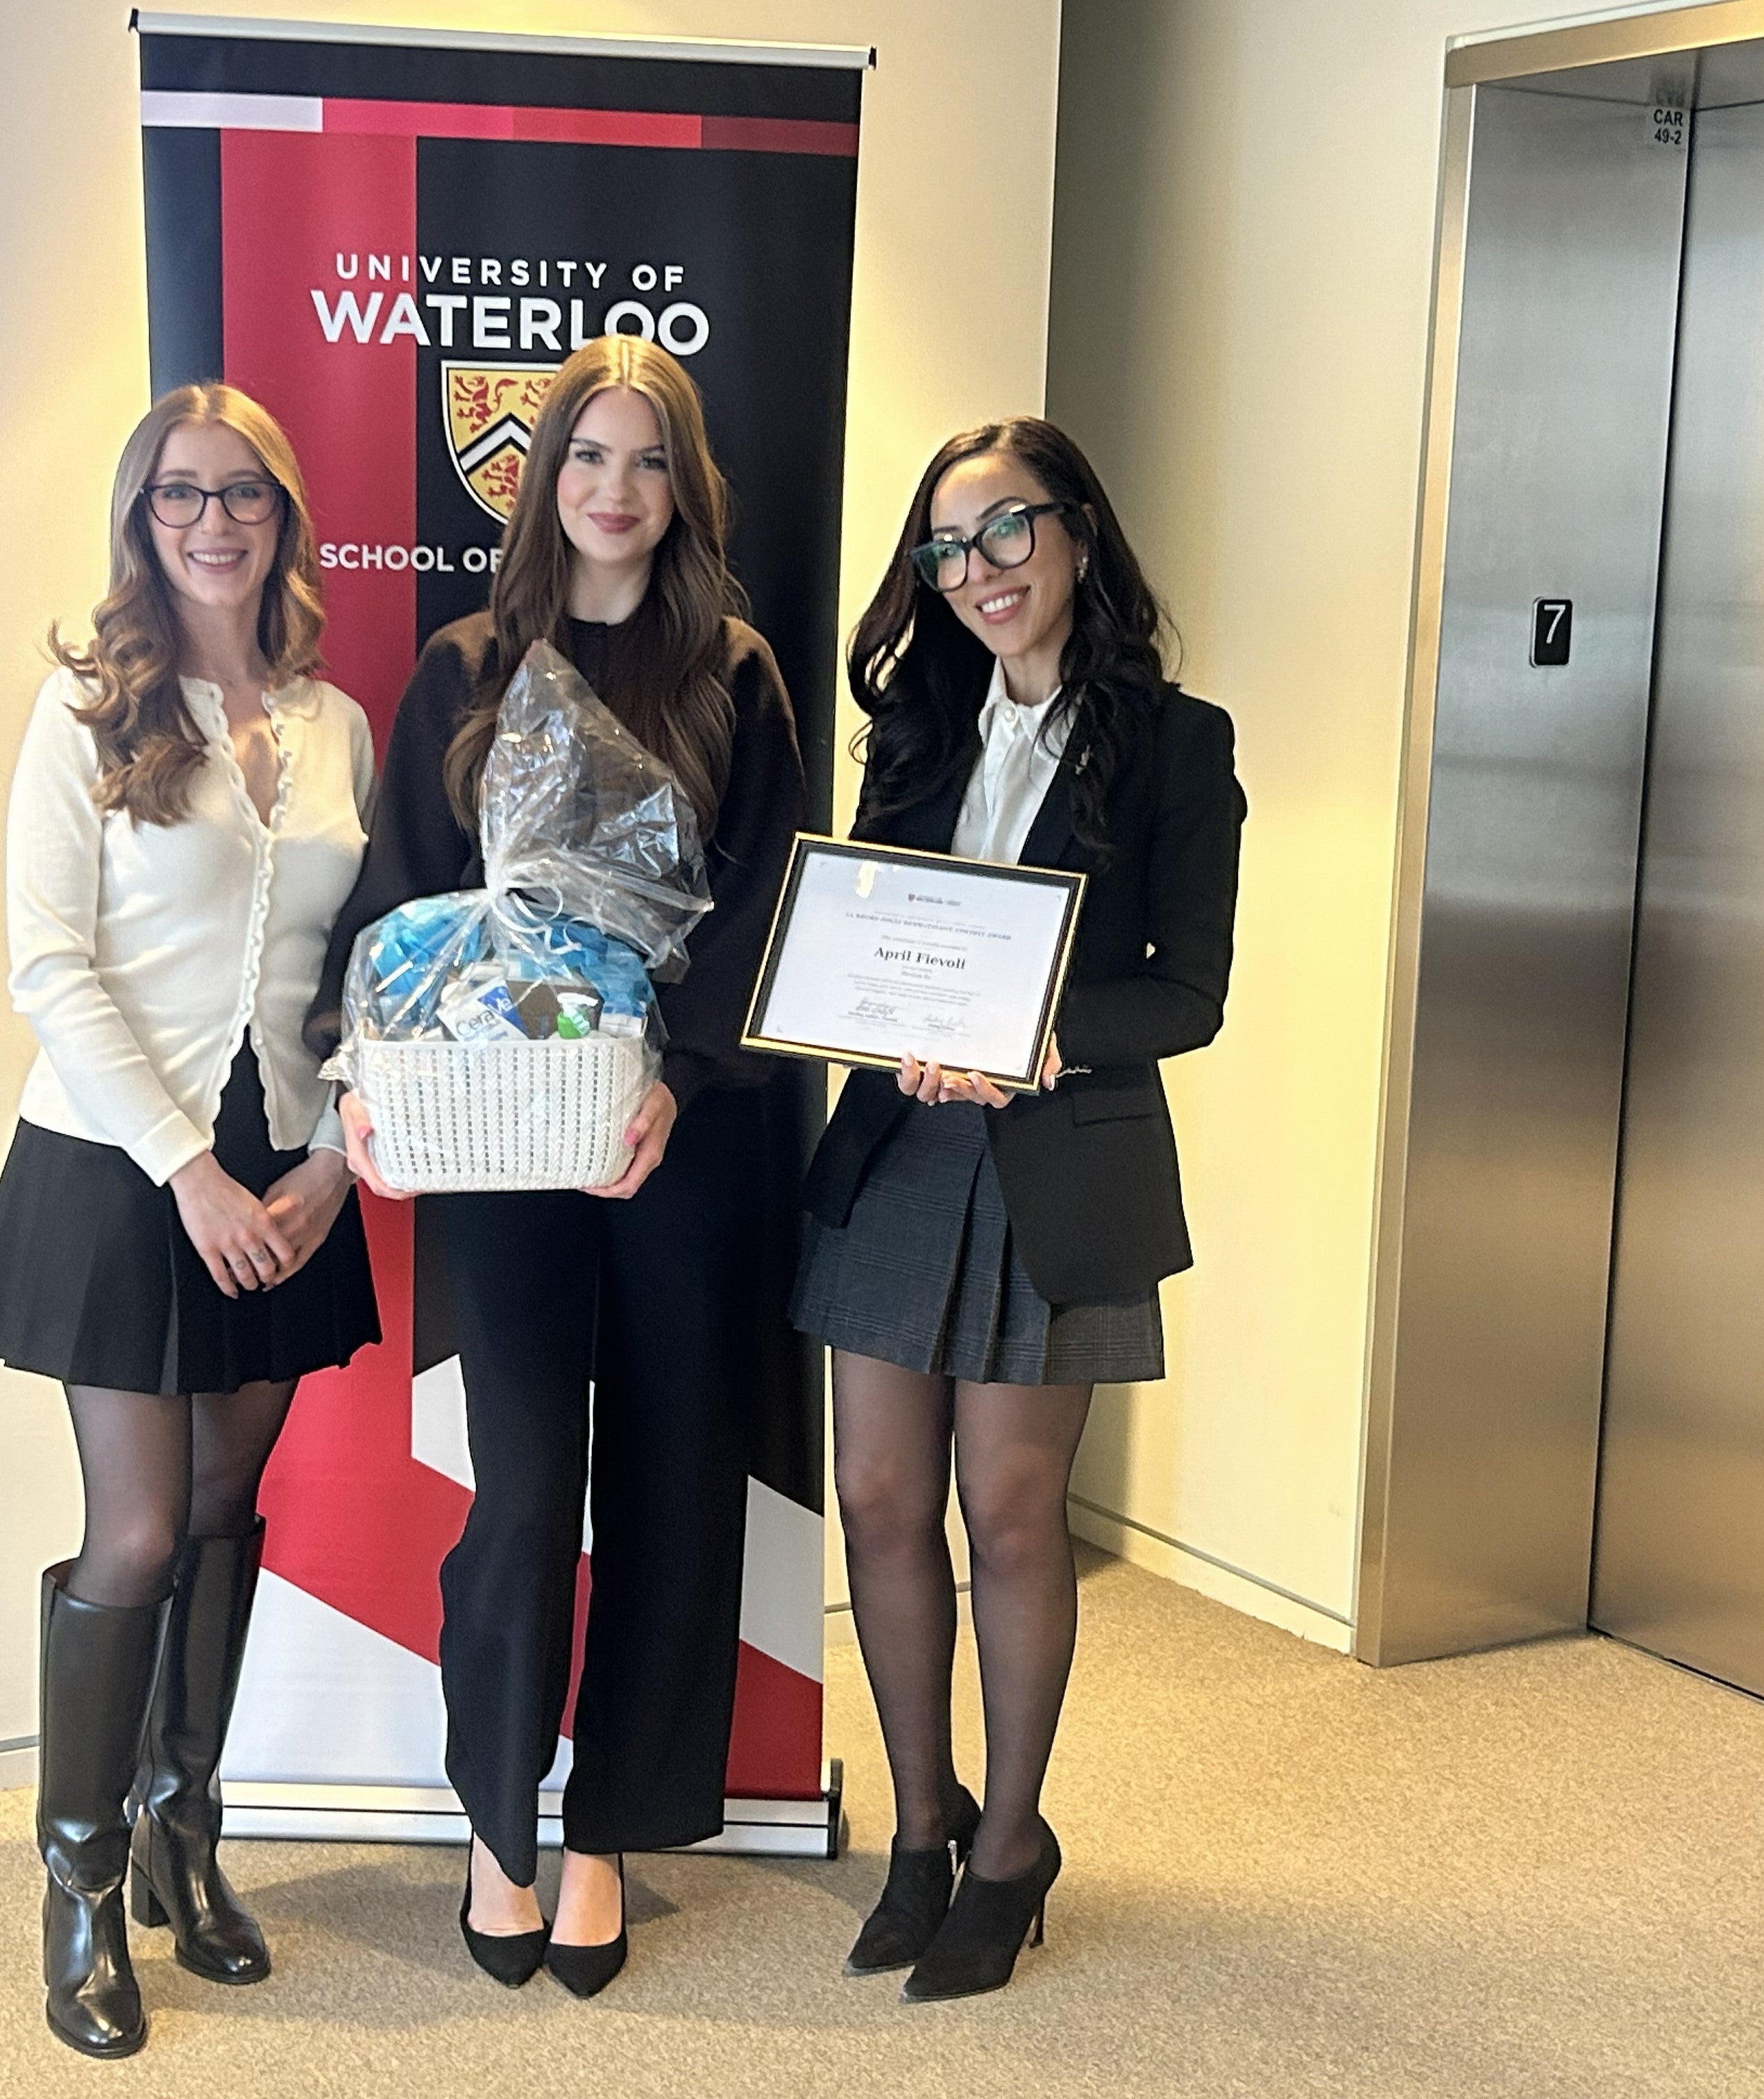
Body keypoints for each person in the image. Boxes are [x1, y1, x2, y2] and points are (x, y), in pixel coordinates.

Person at [312, 335, 806, 1998]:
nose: (612, 489)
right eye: (584, 457)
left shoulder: (736, 670)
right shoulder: (463, 665)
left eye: (645, 460)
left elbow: (759, 919)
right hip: (499, 1137)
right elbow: (399, 897)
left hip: (680, 1140)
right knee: (523, 1490)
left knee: (672, 1483)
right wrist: (362, 1071)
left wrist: (678, 1073)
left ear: (684, 487)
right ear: (535, 479)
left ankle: (607, 1825)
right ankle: (498, 1821)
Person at [0, 383, 380, 2059]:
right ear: (142, 520)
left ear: (284, 514)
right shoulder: (85, 712)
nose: (215, 521)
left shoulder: (339, 720)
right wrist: (185, 1173)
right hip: (128, 1172)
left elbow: (366, 966)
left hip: (290, 1165)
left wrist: (332, 1159)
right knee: (134, 1528)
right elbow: (47, 964)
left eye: (245, 493)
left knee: (225, 1501)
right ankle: (74, 1889)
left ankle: (178, 1838)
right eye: (181, 495)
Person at [794, 418, 1244, 2001]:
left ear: (1076, 535)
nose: (978, 572)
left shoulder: (1181, 745)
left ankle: (1013, 1848)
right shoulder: (913, 729)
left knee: (1007, 1514)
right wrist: (878, 1019)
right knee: (878, 1500)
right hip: (905, 1151)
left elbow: (1188, 992)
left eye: (1005, 534)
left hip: (1057, 1157)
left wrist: (1052, 1041)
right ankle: (926, 1830)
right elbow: (874, 939)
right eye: (946, 548)